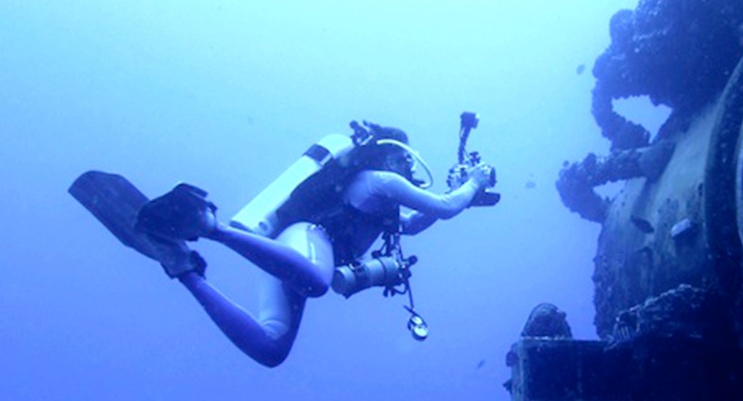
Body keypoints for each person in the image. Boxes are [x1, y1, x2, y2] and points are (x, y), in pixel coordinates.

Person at [133, 123, 495, 367]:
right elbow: (445, 207)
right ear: (385, 155)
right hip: (307, 239)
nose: (408, 166)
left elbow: (416, 224)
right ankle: (210, 226)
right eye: (403, 156)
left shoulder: (382, 202)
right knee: (316, 282)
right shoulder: (382, 180)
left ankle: (181, 266)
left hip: (299, 257)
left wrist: (461, 193)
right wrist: (474, 183)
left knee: (271, 348)